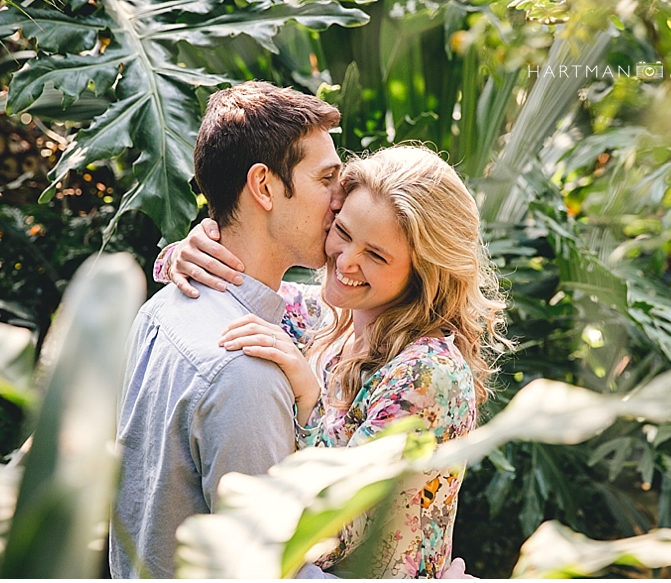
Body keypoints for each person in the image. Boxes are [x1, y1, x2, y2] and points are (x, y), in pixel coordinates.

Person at [159, 145, 509, 578]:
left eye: (376, 255)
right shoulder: (324, 317)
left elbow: (331, 530)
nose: (345, 261)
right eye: (342, 232)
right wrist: (190, 250)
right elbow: (238, 285)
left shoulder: (428, 374)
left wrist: (309, 399)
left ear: (424, 270)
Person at [109, 81, 345, 579]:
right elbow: (269, 568)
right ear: (263, 186)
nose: (339, 201)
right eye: (326, 180)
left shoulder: (160, 310)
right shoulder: (246, 370)